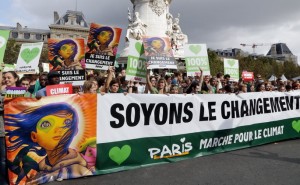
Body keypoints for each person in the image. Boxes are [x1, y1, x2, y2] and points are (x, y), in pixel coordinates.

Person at [5, 103, 93, 184]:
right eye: (46, 124)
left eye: (67, 123)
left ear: (75, 131)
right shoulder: (40, 166)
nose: (58, 129)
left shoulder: (78, 168)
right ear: (34, 136)